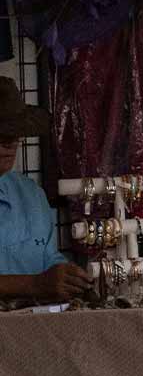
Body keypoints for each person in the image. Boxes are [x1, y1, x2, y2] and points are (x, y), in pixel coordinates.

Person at [0, 78, 88, 306]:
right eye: (0, 136)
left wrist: (72, 280)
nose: (10, 143)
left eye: (14, 134)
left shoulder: (31, 195)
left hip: (34, 332)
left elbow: (48, 258)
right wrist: (34, 285)